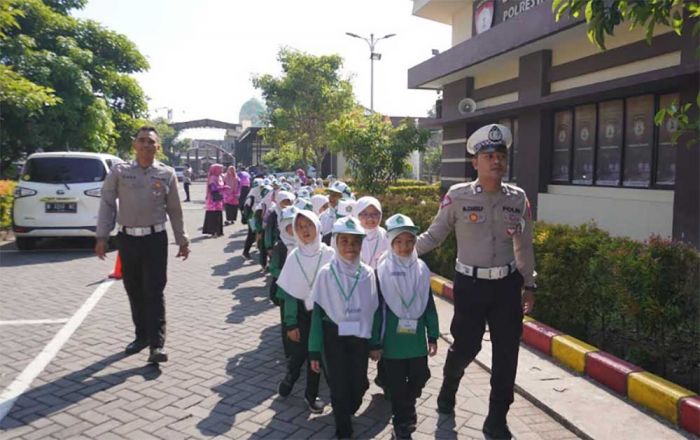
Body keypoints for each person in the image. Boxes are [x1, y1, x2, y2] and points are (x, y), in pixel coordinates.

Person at [415, 124, 536, 440]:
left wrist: (529, 283)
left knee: (507, 354)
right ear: (476, 162)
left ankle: (497, 419)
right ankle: (450, 382)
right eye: (489, 156)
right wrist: (398, 250)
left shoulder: (518, 199)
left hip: (507, 287)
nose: (496, 161)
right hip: (470, 285)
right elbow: (434, 235)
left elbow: (524, 245)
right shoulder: (457, 197)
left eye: (501, 156)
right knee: (466, 346)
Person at [95, 126, 190, 364]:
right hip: (127, 239)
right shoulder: (120, 171)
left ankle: (157, 345)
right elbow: (107, 203)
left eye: (151, 142)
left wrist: (182, 239)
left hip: (155, 239)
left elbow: (175, 211)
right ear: (134, 144)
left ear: (158, 147)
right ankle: (141, 336)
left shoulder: (166, 174)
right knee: (134, 289)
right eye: (142, 141)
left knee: (154, 291)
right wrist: (102, 236)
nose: (146, 145)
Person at [308, 216, 383, 439]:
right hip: (333, 337)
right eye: (344, 242)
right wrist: (314, 350)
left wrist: (375, 343)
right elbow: (317, 316)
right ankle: (343, 427)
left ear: (362, 244)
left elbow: (374, 310)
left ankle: (346, 409)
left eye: (355, 242)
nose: (350, 247)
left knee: (359, 384)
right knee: (338, 386)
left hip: (358, 336)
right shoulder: (325, 273)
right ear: (336, 244)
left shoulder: (368, 274)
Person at [377, 214, 439, 440]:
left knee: (420, 376)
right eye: (399, 242)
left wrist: (433, 335)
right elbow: (378, 311)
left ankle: (408, 406)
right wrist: (375, 342)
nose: (405, 247)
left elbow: (429, 305)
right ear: (391, 243)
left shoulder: (421, 269)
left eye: (410, 241)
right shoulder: (382, 270)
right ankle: (401, 422)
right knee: (396, 386)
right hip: (392, 343)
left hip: (415, 342)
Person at [276, 209, 334, 414]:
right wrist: (290, 323)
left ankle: (311, 395)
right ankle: (290, 378)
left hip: (323, 314)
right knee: (299, 355)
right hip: (301, 314)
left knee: (315, 355)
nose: (305, 230)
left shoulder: (330, 254)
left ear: (317, 226)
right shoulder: (294, 256)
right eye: (300, 227)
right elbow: (289, 293)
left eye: (309, 225)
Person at [354, 196, 391, 396]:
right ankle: (359, 377)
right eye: (365, 214)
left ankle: (383, 376)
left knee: (383, 329)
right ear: (357, 215)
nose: (370, 219)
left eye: (375, 214)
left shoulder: (385, 235)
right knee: (360, 332)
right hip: (358, 289)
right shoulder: (352, 234)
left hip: (381, 286)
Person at [268, 206, 299, 359]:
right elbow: (273, 268)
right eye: (289, 227)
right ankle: (289, 350)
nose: (292, 230)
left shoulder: (305, 244)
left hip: (301, 289)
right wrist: (287, 275)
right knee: (287, 319)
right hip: (285, 289)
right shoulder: (280, 246)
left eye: (295, 226)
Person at [242, 178, 263, 260]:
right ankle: (245, 252)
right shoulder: (251, 196)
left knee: (257, 234)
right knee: (251, 235)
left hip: (258, 217)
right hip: (252, 219)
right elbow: (246, 208)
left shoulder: (259, 194)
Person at [202, 164, 225, 237]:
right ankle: (213, 231)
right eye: (220, 169)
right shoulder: (213, 178)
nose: (222, 170)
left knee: (218, 214)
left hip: (218, 199)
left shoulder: (220, 177)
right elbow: (213, 188)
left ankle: (218, 231)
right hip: (213, 200)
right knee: (213, 215)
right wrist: (222, 188)